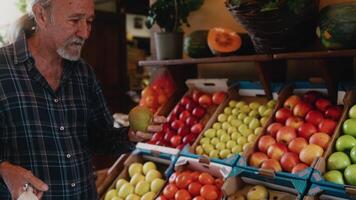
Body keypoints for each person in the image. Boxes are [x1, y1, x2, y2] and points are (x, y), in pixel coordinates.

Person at [0, 0, 163, 199]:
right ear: (42, 15)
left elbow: (101, 137)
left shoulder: (83, 73)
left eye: (89, 21)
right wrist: (4, 170)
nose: (85, 33)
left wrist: (130, 135)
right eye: (75, 20)